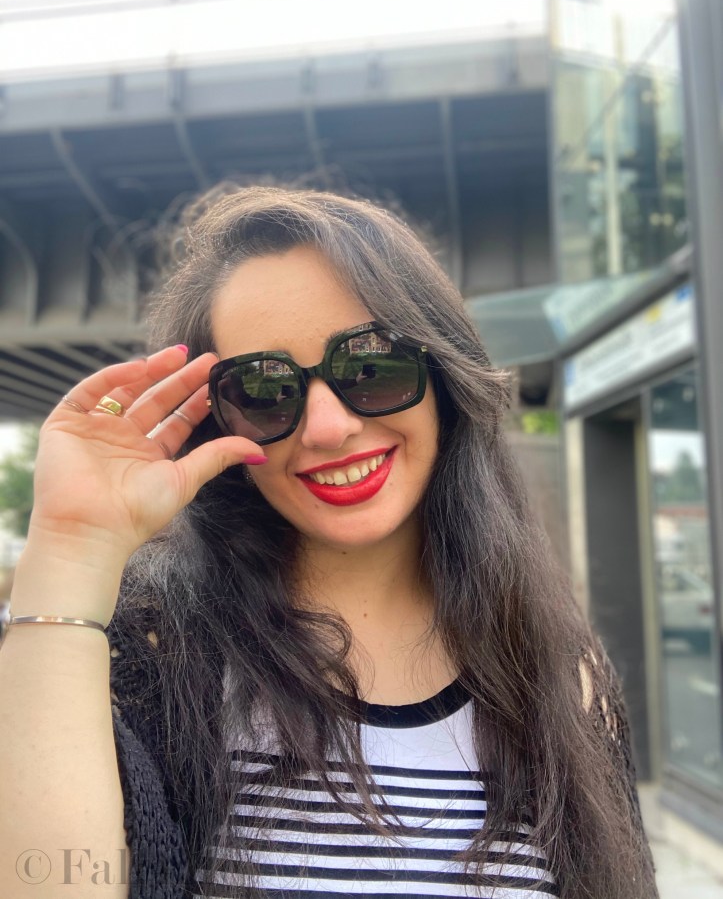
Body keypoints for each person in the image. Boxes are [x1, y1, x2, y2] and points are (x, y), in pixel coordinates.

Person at [0, 185, 659, 899]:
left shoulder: (560, 679)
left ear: (443, 375)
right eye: (262, 389)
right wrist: (69, 550)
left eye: (369, 368)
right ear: (220, 422)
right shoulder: (150, 657)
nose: (325, 426)